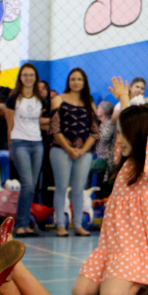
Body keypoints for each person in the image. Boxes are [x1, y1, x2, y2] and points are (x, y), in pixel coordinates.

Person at [71, 73, 148, 295]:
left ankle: (143, 277)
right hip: (111, 244)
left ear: (139, 137)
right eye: (119, 133)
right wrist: (123, 98)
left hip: (133, 249)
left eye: (124, 135)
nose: (118, 140)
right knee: (81, 294)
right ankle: (123, 279)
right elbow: (131, 122)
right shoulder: (125, 159)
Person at [49, 68, 99, 237]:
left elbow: (94, 131)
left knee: (79, 189)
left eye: (79, 79)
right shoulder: (58, 100)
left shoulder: (90, 103)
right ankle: (60, 226)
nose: (76, 82)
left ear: (84, 82)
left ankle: (78, 225)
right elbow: (55, 129)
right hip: (60, 149)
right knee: (61, 188)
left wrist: (83, 150)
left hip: (84, 152)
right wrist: (69, 149)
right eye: (73, 79)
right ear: (68, 82)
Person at [5, 64, 46, 236]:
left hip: (37, 144)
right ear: (20, 78)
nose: (28, 78)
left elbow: (39, 121)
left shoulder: (40, 100)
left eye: (31, 75)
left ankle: (26, 223)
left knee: (32, 186)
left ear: (36, 78)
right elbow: (9, 124)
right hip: (19, 142)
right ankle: (20, 224)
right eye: (25, 75)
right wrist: (10, 147)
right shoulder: (13, 99)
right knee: (27, 184)